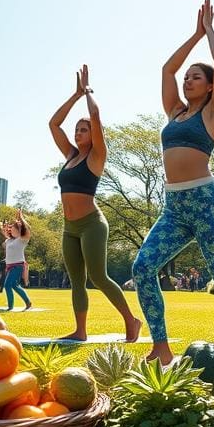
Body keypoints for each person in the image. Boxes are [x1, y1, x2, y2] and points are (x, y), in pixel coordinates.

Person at [132, 0, 214, 368]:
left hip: (206, 203)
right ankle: (161, 347)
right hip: (174, 207)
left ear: (209, 87)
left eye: (195, 77)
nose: (187, 79)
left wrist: (209, 30)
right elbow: (167, 68)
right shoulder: (175, 112)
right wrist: (192, 34)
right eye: (187, 77)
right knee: (142, 267)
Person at [49, 65, 143, 341]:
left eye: (83, 130)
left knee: (99, 277)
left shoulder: (97, 156)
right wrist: (75, 95)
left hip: (92, 225)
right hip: (70, 227)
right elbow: (53, 124)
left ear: (94, 135)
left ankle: (131, 319)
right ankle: (80, 331)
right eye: (76, 130)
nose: (77, 133)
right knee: (77, 281)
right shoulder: (70, 155)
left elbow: (96, 115)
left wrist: (88, 92)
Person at [0, 210, 33, 311]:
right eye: (11, 230)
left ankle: (10, 307)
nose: (11, 231)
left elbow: (27, 229)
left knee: (7, 285)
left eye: (13, 229)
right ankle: (28, 303)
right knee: (14, 285)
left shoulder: (22, 240)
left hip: (18, 265)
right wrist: (3, 227)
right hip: (9, 266)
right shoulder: (9, 240)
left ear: (19, 230)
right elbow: (5, 233)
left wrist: (21, 218)